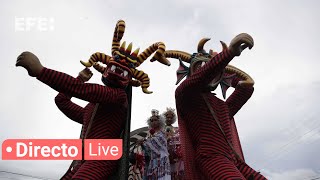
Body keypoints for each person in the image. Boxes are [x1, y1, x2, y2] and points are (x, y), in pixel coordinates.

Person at [15, 20, 170, 179]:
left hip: (102, 159)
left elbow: (83, 90)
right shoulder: (91, 109)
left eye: (122, 72)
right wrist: (79, 78)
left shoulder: (118, 96)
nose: (116, 73)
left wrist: (41, 71)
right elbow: (62, 101)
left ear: (129, 79)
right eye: (114, 68)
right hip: (81, 160)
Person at [163, 34, 267, 179]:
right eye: (200, 66)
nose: (210, 72)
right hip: (211, 157)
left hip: (233, 159)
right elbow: (201, 77)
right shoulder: (185, 94)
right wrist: (229, 53)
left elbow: (246, 88)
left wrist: (229, 74)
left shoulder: (222, 106)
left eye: (218, 72)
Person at [139, 109, 171, 180]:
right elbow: (147, 149)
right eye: (151, 120)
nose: (153, 122)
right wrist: (142, 144)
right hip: (153, 159)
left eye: (155, 120)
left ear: (159, 121)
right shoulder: (149, 135)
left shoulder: (162, 132)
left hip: (162, 158)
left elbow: (159, 142)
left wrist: (146, 141)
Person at [162, 108, 184, 180]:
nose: (169, 119)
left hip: (175, 157)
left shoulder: (176, 129)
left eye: (171, 117)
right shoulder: (161, 129)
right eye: (167, 117)